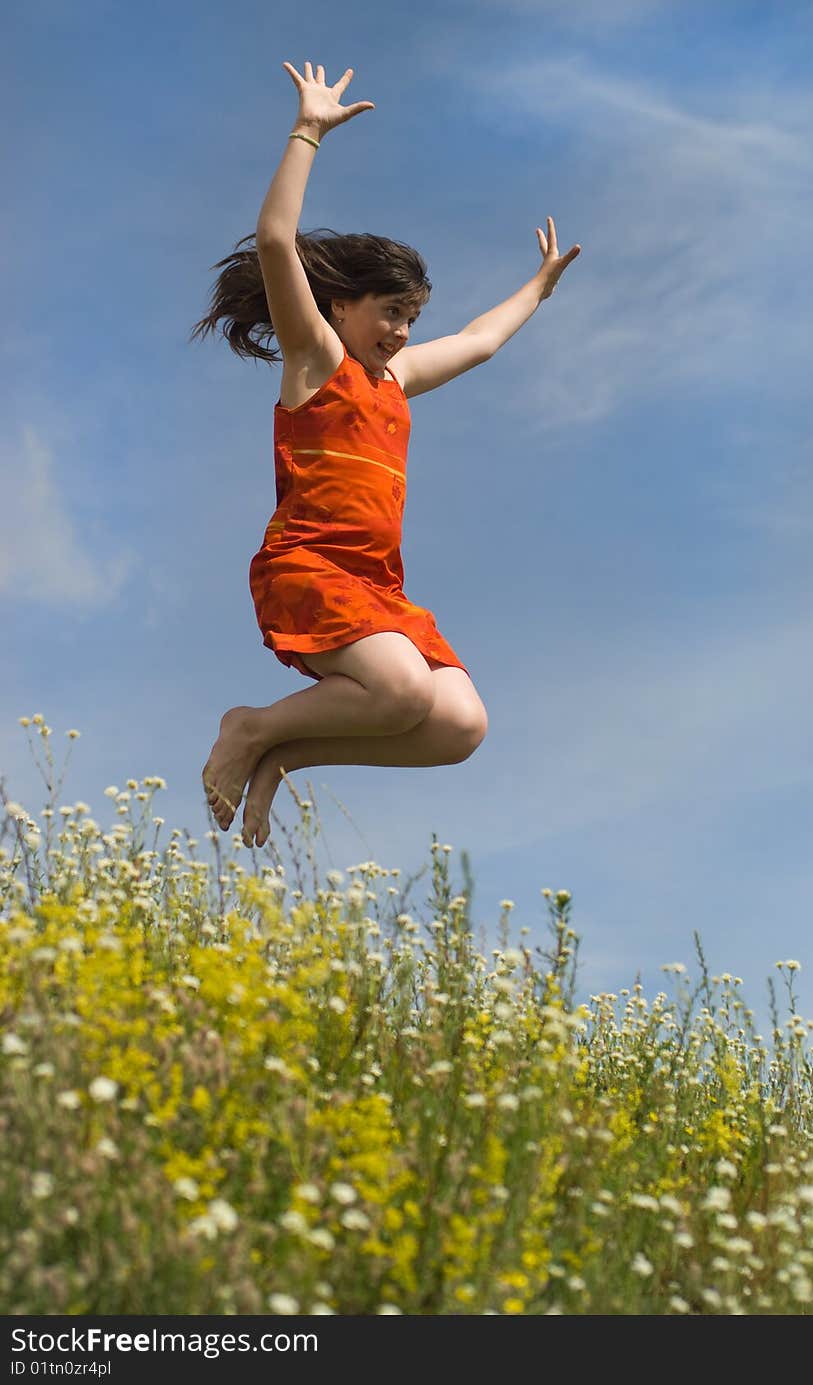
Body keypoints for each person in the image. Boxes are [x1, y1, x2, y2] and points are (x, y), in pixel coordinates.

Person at [192, 60, 580, 849]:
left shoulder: (394, 382)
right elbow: (275, 240)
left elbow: (477, 341)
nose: (402, 331)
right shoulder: (316, 362)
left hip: (376, 588)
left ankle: (281, 755)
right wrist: (309, 131)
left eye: (410, 316)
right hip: (309, 568)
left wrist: (536, 289)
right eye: (389, 311)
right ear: (340, 306)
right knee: (402, 688)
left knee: (459, 723)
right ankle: (250, 726)